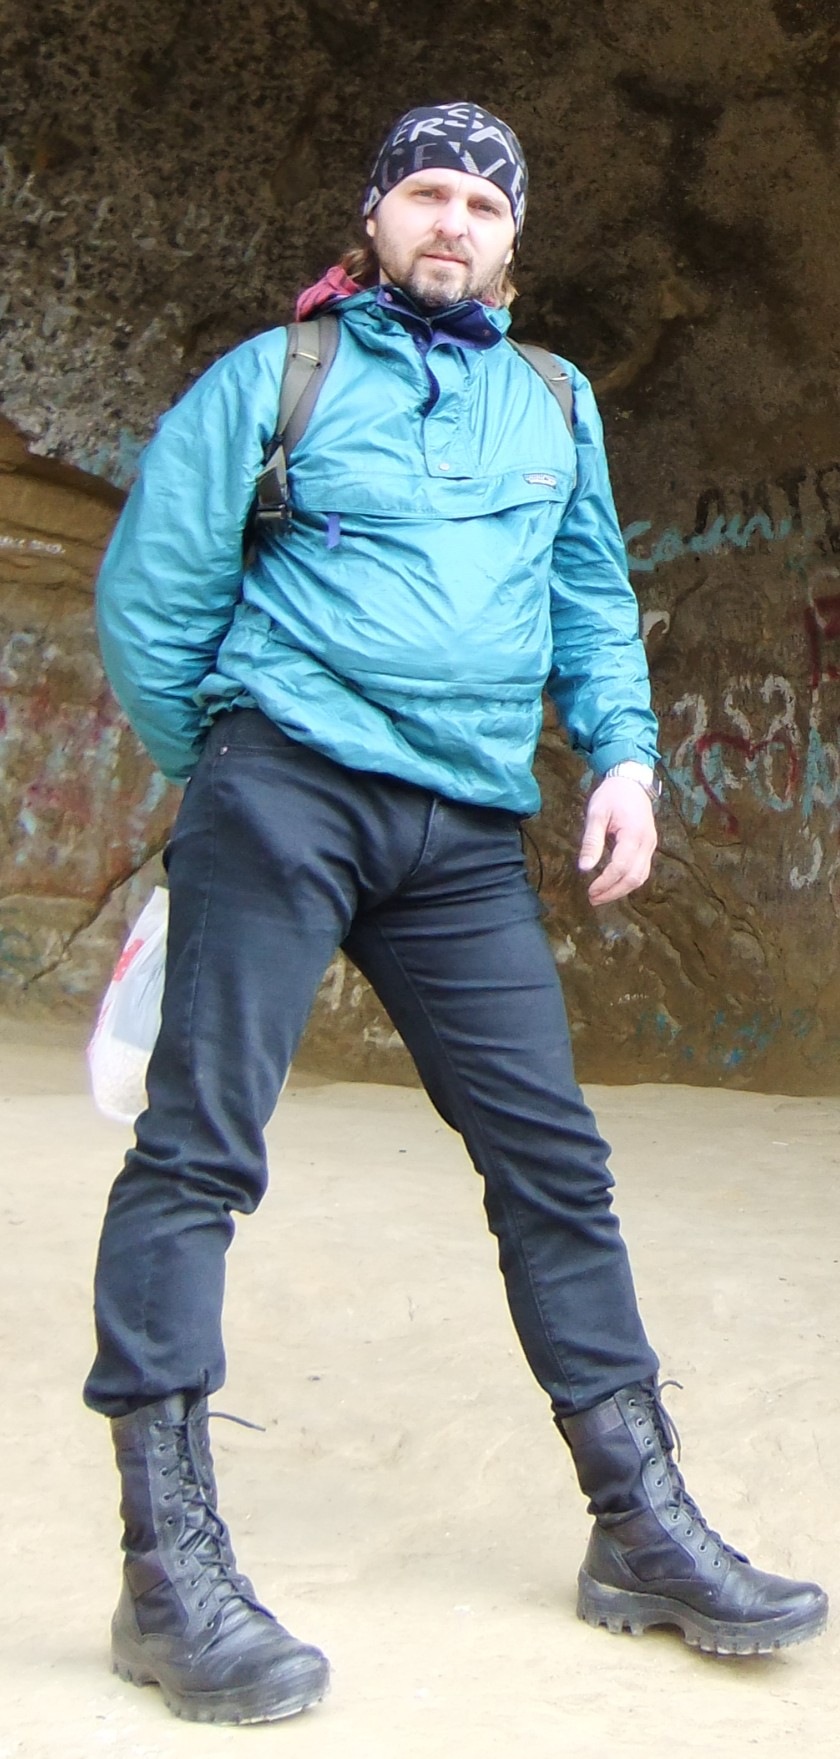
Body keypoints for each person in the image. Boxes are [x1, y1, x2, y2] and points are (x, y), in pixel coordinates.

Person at [85, 101, 827, 1726]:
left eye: (484, 205)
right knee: (200, 1151)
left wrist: (623, 759)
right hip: (282, 789)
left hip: (464, 833)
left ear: (513, 239)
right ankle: (166, 1572)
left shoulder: (553, 400)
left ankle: (638, 1527)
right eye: (427, 192)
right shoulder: (274, 378)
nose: (454, 222)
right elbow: (150, 597)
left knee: (555, 1161)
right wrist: (223, 769)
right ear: (377, 216)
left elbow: (589, 595)